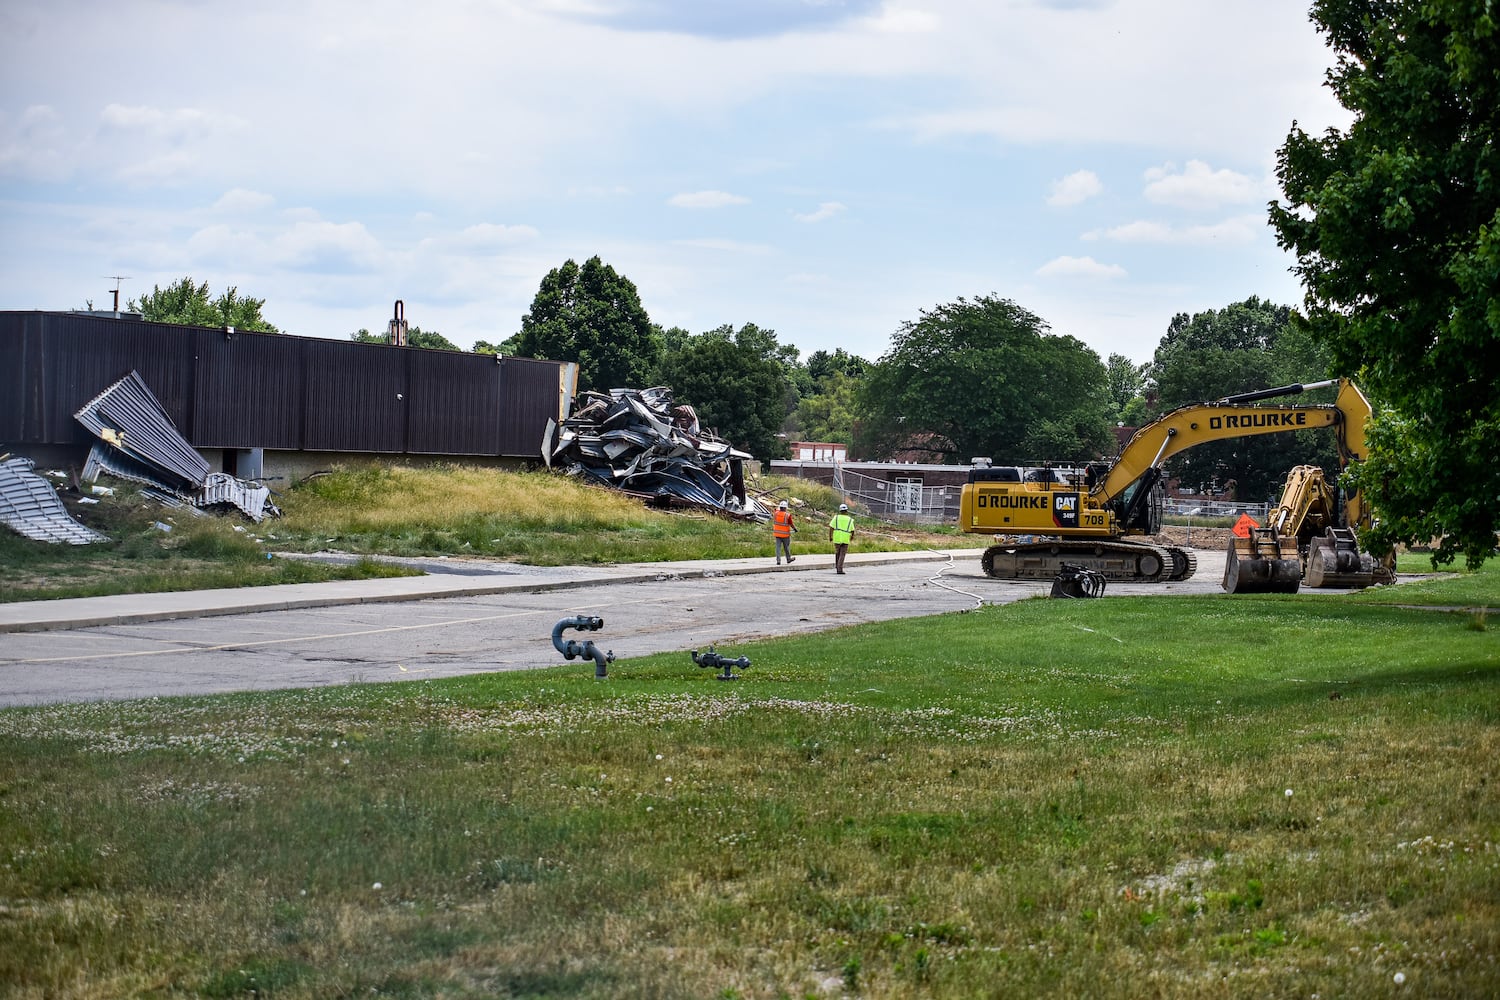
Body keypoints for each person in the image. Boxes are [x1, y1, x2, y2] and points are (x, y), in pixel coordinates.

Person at [827, 503, 855, 574]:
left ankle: (837, 566)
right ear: (846, 511)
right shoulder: (849, 519)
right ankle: (839, 569)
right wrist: (852, 536)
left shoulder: (836, 518)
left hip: (837, 537)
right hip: (845, 538)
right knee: (842, 554)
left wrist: (830, 536)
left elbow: (831, 527)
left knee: (838, 553)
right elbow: (852, 530)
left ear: (840, 511)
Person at [772, 500, 797, 564]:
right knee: (786, 547)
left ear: (780, 507)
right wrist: (795, 529)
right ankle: (788, 559)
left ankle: (778, 560)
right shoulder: (787, 515)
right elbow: (791, 524)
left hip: (777, 534)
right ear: (785, 508)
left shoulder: (776, 514)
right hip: (785, 535)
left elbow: (776, 511)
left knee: (778, 548)